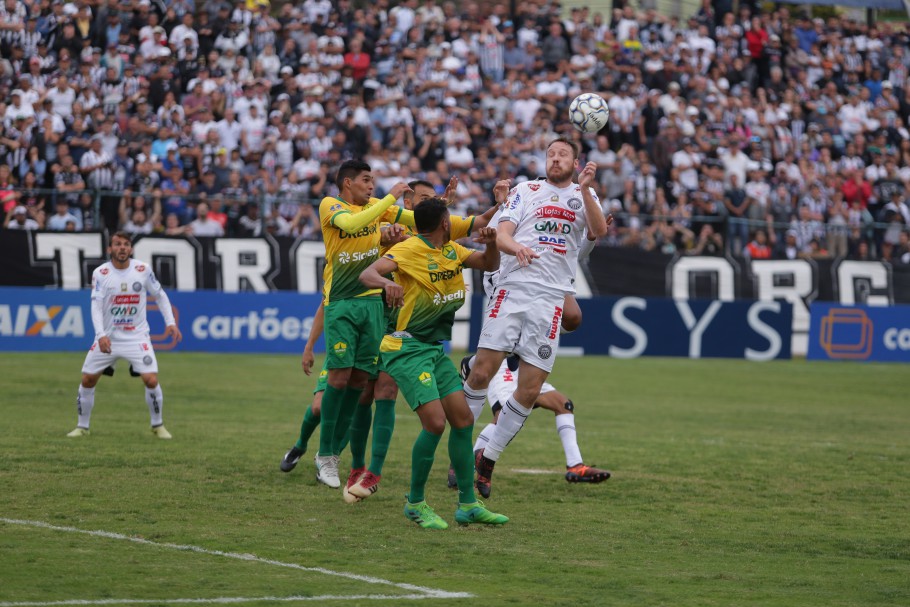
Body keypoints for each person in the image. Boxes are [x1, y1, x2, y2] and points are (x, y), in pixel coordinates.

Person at [279, 177, 503, 504]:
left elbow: (482, 232)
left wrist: (504, 202)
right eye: (427, 198)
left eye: (436, 199)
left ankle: (371, 471)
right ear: (409, 205)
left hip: (411, 335)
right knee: (347, 397)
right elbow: (339, 292)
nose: (436, 202)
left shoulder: (442, 241)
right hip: (373, 325)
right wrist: (311, 343)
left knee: (383, 391)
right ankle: (325, 454)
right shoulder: (387, 230)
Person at [462, 137, 609, 498]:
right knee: (481, 371)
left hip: (550, 300)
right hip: (513, 289)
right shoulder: (526, 190)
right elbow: (503, 233)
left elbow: (598, 232)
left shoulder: (584, 197)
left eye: (562, 155)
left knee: (528, 391)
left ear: (576, 164)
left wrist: (587, 191)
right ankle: (458, 449)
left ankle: (488, 461)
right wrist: (518, 248)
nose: (555, 159)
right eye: (550, 154)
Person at [359, 197, 508, 529]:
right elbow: (368, 273)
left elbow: (489, 263)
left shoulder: (453, 250)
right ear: (444, 223)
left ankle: (468, 504)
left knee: (462, 419)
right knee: (435, 424)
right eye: (450, 217)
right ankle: (414, 503)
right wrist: (388, 282)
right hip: (406, 349)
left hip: (433, 349)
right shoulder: (409, 250)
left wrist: (494, 242)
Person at [310, 160, 412, 491]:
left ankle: (333, 452)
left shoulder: (375, 208)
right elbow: (352, 226)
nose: (371, 186)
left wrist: (443, 208)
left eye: (374, 181)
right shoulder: (330, 205)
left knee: (359, 380)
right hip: (341, 302)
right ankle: (324, 454)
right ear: (347, 182)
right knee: (338, 377)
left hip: (372, 303)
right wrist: (389, 199)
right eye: (366, 180)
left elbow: (416, 221)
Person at [68, 231, 183, 438]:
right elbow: (96, 306)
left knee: (150, 379)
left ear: (131, 249)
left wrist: (171, 323)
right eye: (118, 244)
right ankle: (82, 427)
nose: (122, 248)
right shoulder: (101, 273)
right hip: (108, 338)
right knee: (87, 380)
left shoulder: (142, 270)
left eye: (126, 244)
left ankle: (158, 426)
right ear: (109, 249)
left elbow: (160, 295)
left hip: (137, 337)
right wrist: (101, 335)